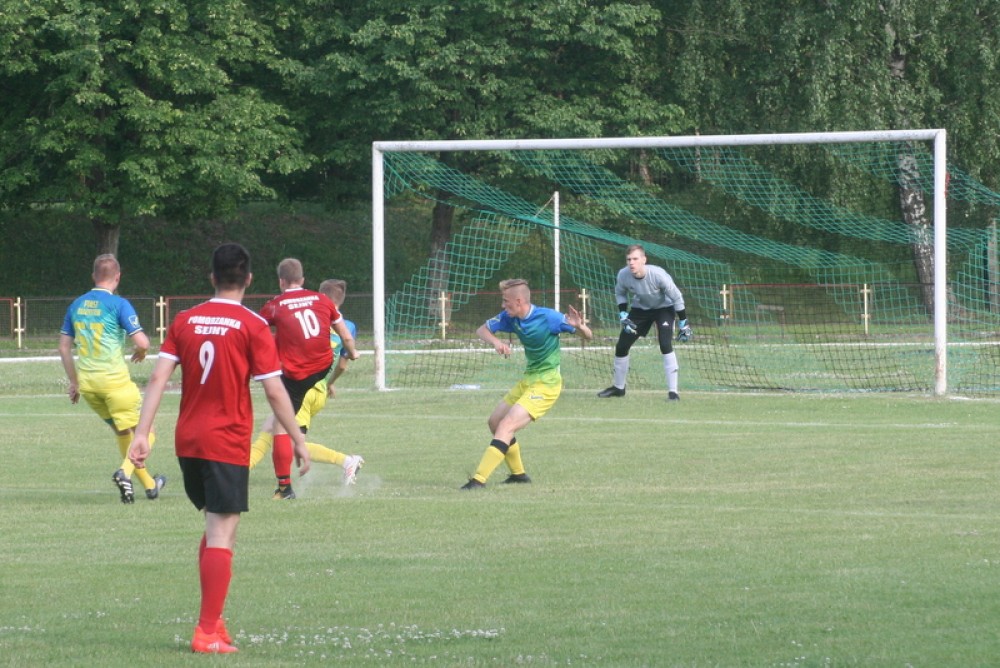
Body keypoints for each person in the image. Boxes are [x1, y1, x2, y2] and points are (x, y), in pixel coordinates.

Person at [128, 242, 310, 654]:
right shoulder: (253, 325)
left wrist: (142, 433)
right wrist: (298, 439)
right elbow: (275, 391)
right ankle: (206, 632)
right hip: (225, 440)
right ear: (249, 279)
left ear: (212, 277)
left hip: (188, 440)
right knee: (222, 532)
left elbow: (157, 378)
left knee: (217, 527)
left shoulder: (185, 319)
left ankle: (216, 619)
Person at [461, 278, 592, 489]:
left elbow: (589, 336)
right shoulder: (510, 317)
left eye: (506, 301)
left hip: (547, 383)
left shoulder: (549, 317)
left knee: (506, 425)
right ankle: (519, 476)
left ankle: (478, 480)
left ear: (519, 301)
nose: (503, 305)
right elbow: (481, 330)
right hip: (529, 379)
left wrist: (580, 327)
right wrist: (497, 342)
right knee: (495, 422)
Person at [58, 253, 166, 503]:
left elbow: (64, 347)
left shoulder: (76, 305)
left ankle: (151, 486)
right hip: (115, 383)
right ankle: (124, 472)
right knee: (147, 431)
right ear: (118, 277)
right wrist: (141, 351)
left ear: (93, 277)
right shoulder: (118, 304)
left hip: (89, 386)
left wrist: (74, 382)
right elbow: (143, 342)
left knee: (122, 431)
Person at [259, 260, 360, 499]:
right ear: (303, 280)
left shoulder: (275, 305)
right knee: (289, 423)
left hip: (296, 375)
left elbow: (256, 331)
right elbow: (345, 336)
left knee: (280, 426)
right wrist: (353, 353)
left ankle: (284, 488)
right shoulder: (322, 300)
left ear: (281, 281)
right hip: (321, 370)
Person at [597, 244, 692, 401]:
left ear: (644, 260)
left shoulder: (658, 275)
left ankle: (673, 392)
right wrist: (623, 314)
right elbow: (620, 293)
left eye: (635, 259)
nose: (631, 263)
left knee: (665, 344)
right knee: (622, 345)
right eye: (629, 259)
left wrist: (683, 322)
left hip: (663, 309)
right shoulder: (623, 275)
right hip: (640, 309)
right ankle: (619, 388)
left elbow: (676, 297)